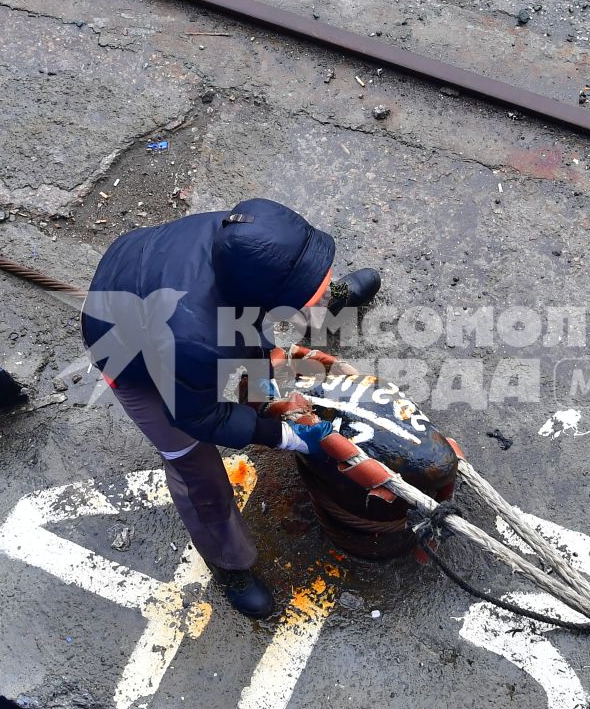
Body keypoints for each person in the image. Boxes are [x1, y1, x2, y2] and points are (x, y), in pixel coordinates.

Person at [81, 199, 380, 618]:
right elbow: (200, 416)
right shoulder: (194, 344)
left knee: (255, 361)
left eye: (324, 284)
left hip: (165, 288)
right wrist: (284, 436)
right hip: (130, 355)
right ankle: (230, 562)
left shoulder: (241, 239)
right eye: (319, 292)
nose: (323, 291)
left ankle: (305, 304)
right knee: (193, 465)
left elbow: (254, 329)